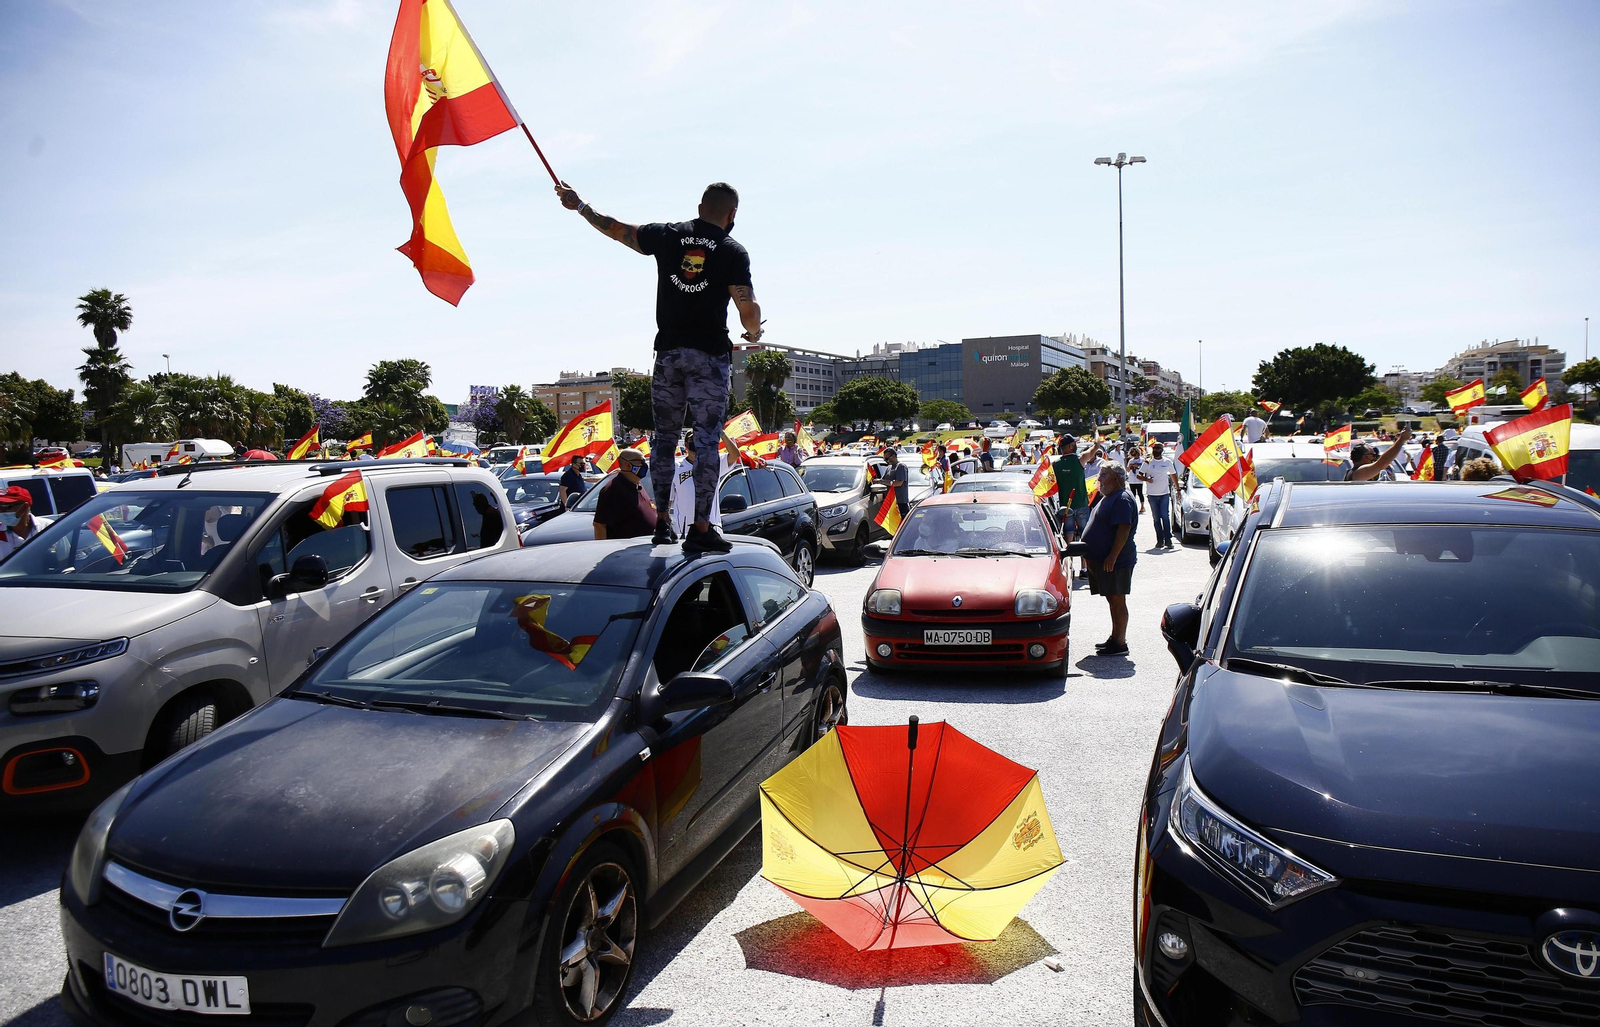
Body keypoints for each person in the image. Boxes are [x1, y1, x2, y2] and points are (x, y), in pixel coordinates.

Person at [556, 180, 762, 554]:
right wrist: (752, 331)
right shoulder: (733, 250)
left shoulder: (669, 236)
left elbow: (618, 230)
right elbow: (747, 307)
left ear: (700, 207)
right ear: (732, 215)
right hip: (709, 356)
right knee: (705, 441)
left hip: (667, 354)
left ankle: (664, 523)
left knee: (664, 441)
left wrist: (581, 206)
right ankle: (701, 526)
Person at [1080, 464, 1138, 657]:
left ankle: (1120, 643)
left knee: (1117, 600)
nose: (1100, 478)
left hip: (1117, 561)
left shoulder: (1122, 498)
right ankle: (1115, 638)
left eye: (1104, 475)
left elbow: (1123, 529)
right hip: (1103, 560)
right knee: (1112, 599)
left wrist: (1112, 556)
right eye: (1100, 474)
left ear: (1117, 478)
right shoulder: (1109, 497)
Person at [671, 428, 740, 536]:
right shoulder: (676, 467)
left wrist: (721, 433)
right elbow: (668, 500)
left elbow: (734, 455)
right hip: (684, 532)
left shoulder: (714, 463)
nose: (696, 443)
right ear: (686, 445)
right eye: (693, 440)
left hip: (711, 530)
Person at [592, 448, 657, 540]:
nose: (644, 465)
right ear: (627, 465)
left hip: (643, 549)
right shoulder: (612, 490)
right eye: (641, 462)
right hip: (625, 552)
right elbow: (599, 525)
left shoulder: (637, 484)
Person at [1052, 436, 1092, 576]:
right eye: (1074, 443)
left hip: (1065, 505)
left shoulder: (1055, 464)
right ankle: (1084, 568)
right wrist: (1095, 432)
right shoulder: (1079, 460)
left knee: (1068, 536)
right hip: (1081, 503)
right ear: (1070, 446)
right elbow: (1096, 446)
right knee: (1084, 536)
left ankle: (1069, 568)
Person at [1139, 442, 1180, 549]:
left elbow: (1173, 474)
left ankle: (1168, 540)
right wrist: (1146, 479)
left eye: (1158, 448)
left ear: (1162, 450)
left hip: (1164, 494)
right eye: (1154, 448)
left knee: (1165, 517)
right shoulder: (1147, 462)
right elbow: (1139, 475)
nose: (1156, 450)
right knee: (1156, 518)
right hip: (1152, 495)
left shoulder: (1167, 462)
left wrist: (1178, 489)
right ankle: (1160, 540)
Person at [1346, 429, 1412, 481]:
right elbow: (1382, 463)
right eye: (1373, 455)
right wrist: (1401, 440)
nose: (1375, 458)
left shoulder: (1354, 472)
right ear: (1365, 458)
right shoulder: (1358, 472)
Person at [0, 485, 40, 561]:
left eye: (6, 506)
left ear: (25, 507)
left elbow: (63, 562)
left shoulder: (49, 527)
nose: (1, 511)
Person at [880, 447, 910, 518]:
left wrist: (883, 482)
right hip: (890, 502)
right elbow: (883, 480)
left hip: (900, 502)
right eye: (885, 459)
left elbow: (899, 483)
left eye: (887, 458)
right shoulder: (889, 467)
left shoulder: (901, 466)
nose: (886, 461)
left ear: (893, 456)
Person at [1125, 445, 1146, 513]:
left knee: (1140, 493)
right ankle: (1133, 506)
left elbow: (1144, 469)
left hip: (1139, 479)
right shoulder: (1131, 460)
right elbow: (1127, 470)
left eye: (1135, 453)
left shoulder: (1142, 460)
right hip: (1132, 479)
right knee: (1133, 493)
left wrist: (1137, 466)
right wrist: (1130, 467)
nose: (1134, 455)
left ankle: (1142, 506)